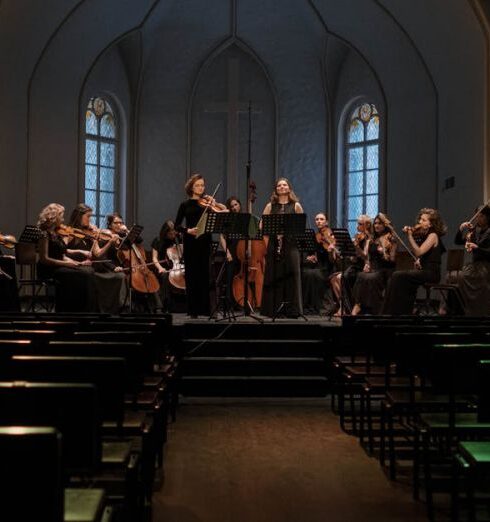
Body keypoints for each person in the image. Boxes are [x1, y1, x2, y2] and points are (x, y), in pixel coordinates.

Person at [175, 173, 227, 317]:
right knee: (192, 276)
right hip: (191, 242)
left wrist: (214, 203)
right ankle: (193, 310)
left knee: (206, 276)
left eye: (202, 185)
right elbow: (177, 226)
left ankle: (207, 309)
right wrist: (188, 230)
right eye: (197, 185)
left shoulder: (207, 203)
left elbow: (225, 211)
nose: (200, 188)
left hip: (205, 241)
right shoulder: (185, 205)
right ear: (191, 187)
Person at [383, 208, 446, 315]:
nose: (420, 222)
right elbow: (423, 256)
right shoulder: (424, 235)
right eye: (420, 219)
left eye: (424, 220)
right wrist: (419, 262)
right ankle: (393, 312)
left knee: (398, 276)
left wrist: (410, 236)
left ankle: (398, 313)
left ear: (431, 224)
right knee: (395, 278)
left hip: (432, 273)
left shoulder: (433, 235)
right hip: (425, 271)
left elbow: (418, 252)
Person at [37, 203, 97, 312]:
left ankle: (85, 310)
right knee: (83, 274)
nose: (63, 219)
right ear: (54, 217)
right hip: (48, 269)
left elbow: (62, 254)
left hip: (59, 266)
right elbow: (44, 259)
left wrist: (78, 263)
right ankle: (69, 310)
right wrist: (67, 264)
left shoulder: (55, 233)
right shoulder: (44, 234)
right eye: (61, 215)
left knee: (89, 271)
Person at [67, 203, 125, 314]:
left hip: (90, 265)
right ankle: (93, 310)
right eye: (88, 216)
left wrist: (109, 242)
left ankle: (110, 310)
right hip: (75, 265)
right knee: (92, 275)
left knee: (118, 276)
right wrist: (80, 253)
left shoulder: (90, 232)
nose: (90, 220)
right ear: (79, 216)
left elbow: (98, 254)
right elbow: (63, 251)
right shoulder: (70, 231)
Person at [261, 178, 304, 317]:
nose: (282, 187)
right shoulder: (270, 206)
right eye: (279, 185)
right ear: (276, 190)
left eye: (284, 185)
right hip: (274, 245)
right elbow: (262, 226)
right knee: (274, 276)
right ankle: (272, 310)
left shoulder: (296, 205)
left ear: (289, 188)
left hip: (291, 245)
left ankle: (292, 310)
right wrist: (269, 244)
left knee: (292, 276)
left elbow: (301, 227)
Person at [351, 213, 397, 315]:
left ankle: (374, 309)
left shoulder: (391, 238)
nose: (376, 225)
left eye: (379, 223)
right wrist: (358, 248)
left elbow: (392, 260)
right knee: (361, 275)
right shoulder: (371, 239)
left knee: (370, 278)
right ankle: (358, 305)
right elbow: (366, 256)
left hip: (386, 269)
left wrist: (384, 253)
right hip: (374, 269)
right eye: (375, 223)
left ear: (385, 225)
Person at [330, 214, 372, 315]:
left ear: (368, 225)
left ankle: (350, 306)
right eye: (358, 224)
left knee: (343, 277)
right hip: (355, 266)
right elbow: (353, 259)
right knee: (333, 278)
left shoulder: (369, 238)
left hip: (364, 266)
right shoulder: (358, 237)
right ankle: (343, 305)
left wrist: (356, 247)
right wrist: (349, 251)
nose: (358, 227)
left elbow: (365, 256)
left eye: (360, 224)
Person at [452, 205, 490, 315]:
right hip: (475, 266)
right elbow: (458, 241)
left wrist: (477, 248)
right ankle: (463, 310)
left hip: (486, 266)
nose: (478, 218)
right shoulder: (474, 232)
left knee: (464, 277)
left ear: (487, 217)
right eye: (477, 216)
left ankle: (477, 311)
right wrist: (461, 229)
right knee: (457, 277)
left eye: (481, 216)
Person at [302, 212, 337, 314]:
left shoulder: (331, 235)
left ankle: (322, 306)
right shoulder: (316, 236)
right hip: (319, 266)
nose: (319, 221)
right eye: (317, 219)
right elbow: (317, 253)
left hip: (328, 267)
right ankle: (310, 306)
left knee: (314, 274)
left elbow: (333, 260)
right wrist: (312, 257)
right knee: (307, 273)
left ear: (326, 222)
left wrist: (331, 250)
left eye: (321, 219)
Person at [151, 219, 181, 313]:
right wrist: (160, 268)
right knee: (165, 276)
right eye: (171, 233)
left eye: (174, 232)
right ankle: (164, 304)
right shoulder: (158, 240)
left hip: (175, 268)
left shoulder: (177, 240)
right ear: (165, 232)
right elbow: (154, 258)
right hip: (162, 268)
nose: (173, 235)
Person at [219, 197, 242, 308]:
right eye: (232, 206)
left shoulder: (244, 218)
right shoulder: (227, 219)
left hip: (242, 253)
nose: (234, 208)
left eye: (236, 205)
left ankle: (241, 302)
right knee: (230, 278)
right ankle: (230, 304)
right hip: (231, 253)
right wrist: (227, 253)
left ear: (240, 205)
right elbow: (222, 237)